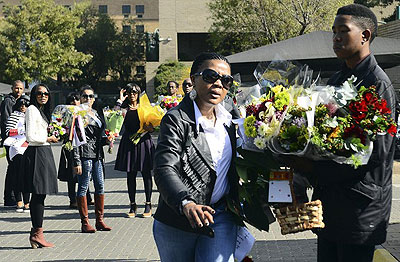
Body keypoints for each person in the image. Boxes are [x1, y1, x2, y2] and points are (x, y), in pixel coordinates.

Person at [287, 4, 396, 262]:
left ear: (365, 36)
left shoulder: (376, 84)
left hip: (361, 208)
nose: (335, 37)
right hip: (332, 203)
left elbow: (375, 154)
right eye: (333, 31)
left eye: (343, 31)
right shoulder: (336, 79)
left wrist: (313, 169)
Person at [153, 52, 241, 262]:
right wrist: (186, 203)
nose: (219, 84)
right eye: (211, 76)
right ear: (193, 80)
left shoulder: (232, 116)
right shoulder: (176, 120)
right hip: (178, 219)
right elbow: (165, 167)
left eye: (226, 80)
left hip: (220, 214)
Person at [21, 84, 58, 248]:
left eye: (46, 94)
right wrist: (47, 138)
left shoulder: (42, 111)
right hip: (36, 152)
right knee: (38, 193)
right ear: (34, 95)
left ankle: (37, 233)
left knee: (41, 194)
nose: (43, 96)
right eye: (39, 93)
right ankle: (37, 233)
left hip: (45, 152)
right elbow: (30, 136)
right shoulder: (31, 110)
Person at [73, 85, 111, 233]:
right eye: (85, 96)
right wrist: (76, 160)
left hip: (97, 155)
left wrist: (107, 140)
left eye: (91, 96)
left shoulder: (96, 113)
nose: (88, 99)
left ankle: (100, 220)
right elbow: (74, 140)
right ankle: (85, 222)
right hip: (84, 155)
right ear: (80, 98)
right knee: (83, 187)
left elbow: (98, 137)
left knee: (100, 186)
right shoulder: (77, 114)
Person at [114, 83, 155, 218]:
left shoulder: (145, 107)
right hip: (129, 142)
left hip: (144, 141)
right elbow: (113, 118)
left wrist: (151, 128)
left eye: (135, 92)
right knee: (130, 174)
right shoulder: (124, 108)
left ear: (138, 94)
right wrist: (120, 100)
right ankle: (132, 204)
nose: (132, 95)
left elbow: (152, 125)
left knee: (146, 173)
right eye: (130, 92)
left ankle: (148, 204)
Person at [57, 92, 93, 209]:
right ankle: (72, 199)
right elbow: (59, 126)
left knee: (85, 171)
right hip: (70, 145)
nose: (74, 102)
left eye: (76, 99)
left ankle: (87, 196)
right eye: (71, 100)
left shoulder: (83, 112)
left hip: (82, 145)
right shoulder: (65, 113)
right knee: (71, 174)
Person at [5, 95, 31, 212]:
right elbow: (8, 131)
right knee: (17, 175)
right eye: (21, 104)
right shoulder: (14, 116)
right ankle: (18, 200)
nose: (23, 107)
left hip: (28, 147)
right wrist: (21, 131)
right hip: (16, 148)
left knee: (27, 175)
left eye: (26, 104)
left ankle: (27, 201)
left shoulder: (31, 116)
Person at [1, 80, 24, 206]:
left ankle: (12, 197)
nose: (19, 91)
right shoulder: (8, 102)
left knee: (14, 169)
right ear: (12, 88)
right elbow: (5, 122)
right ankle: (9, 197)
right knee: (13, 169)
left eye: (21, 89)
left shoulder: (21, 102)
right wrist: (8, 141)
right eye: (16, 88)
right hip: (11, 141)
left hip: (20, 142)